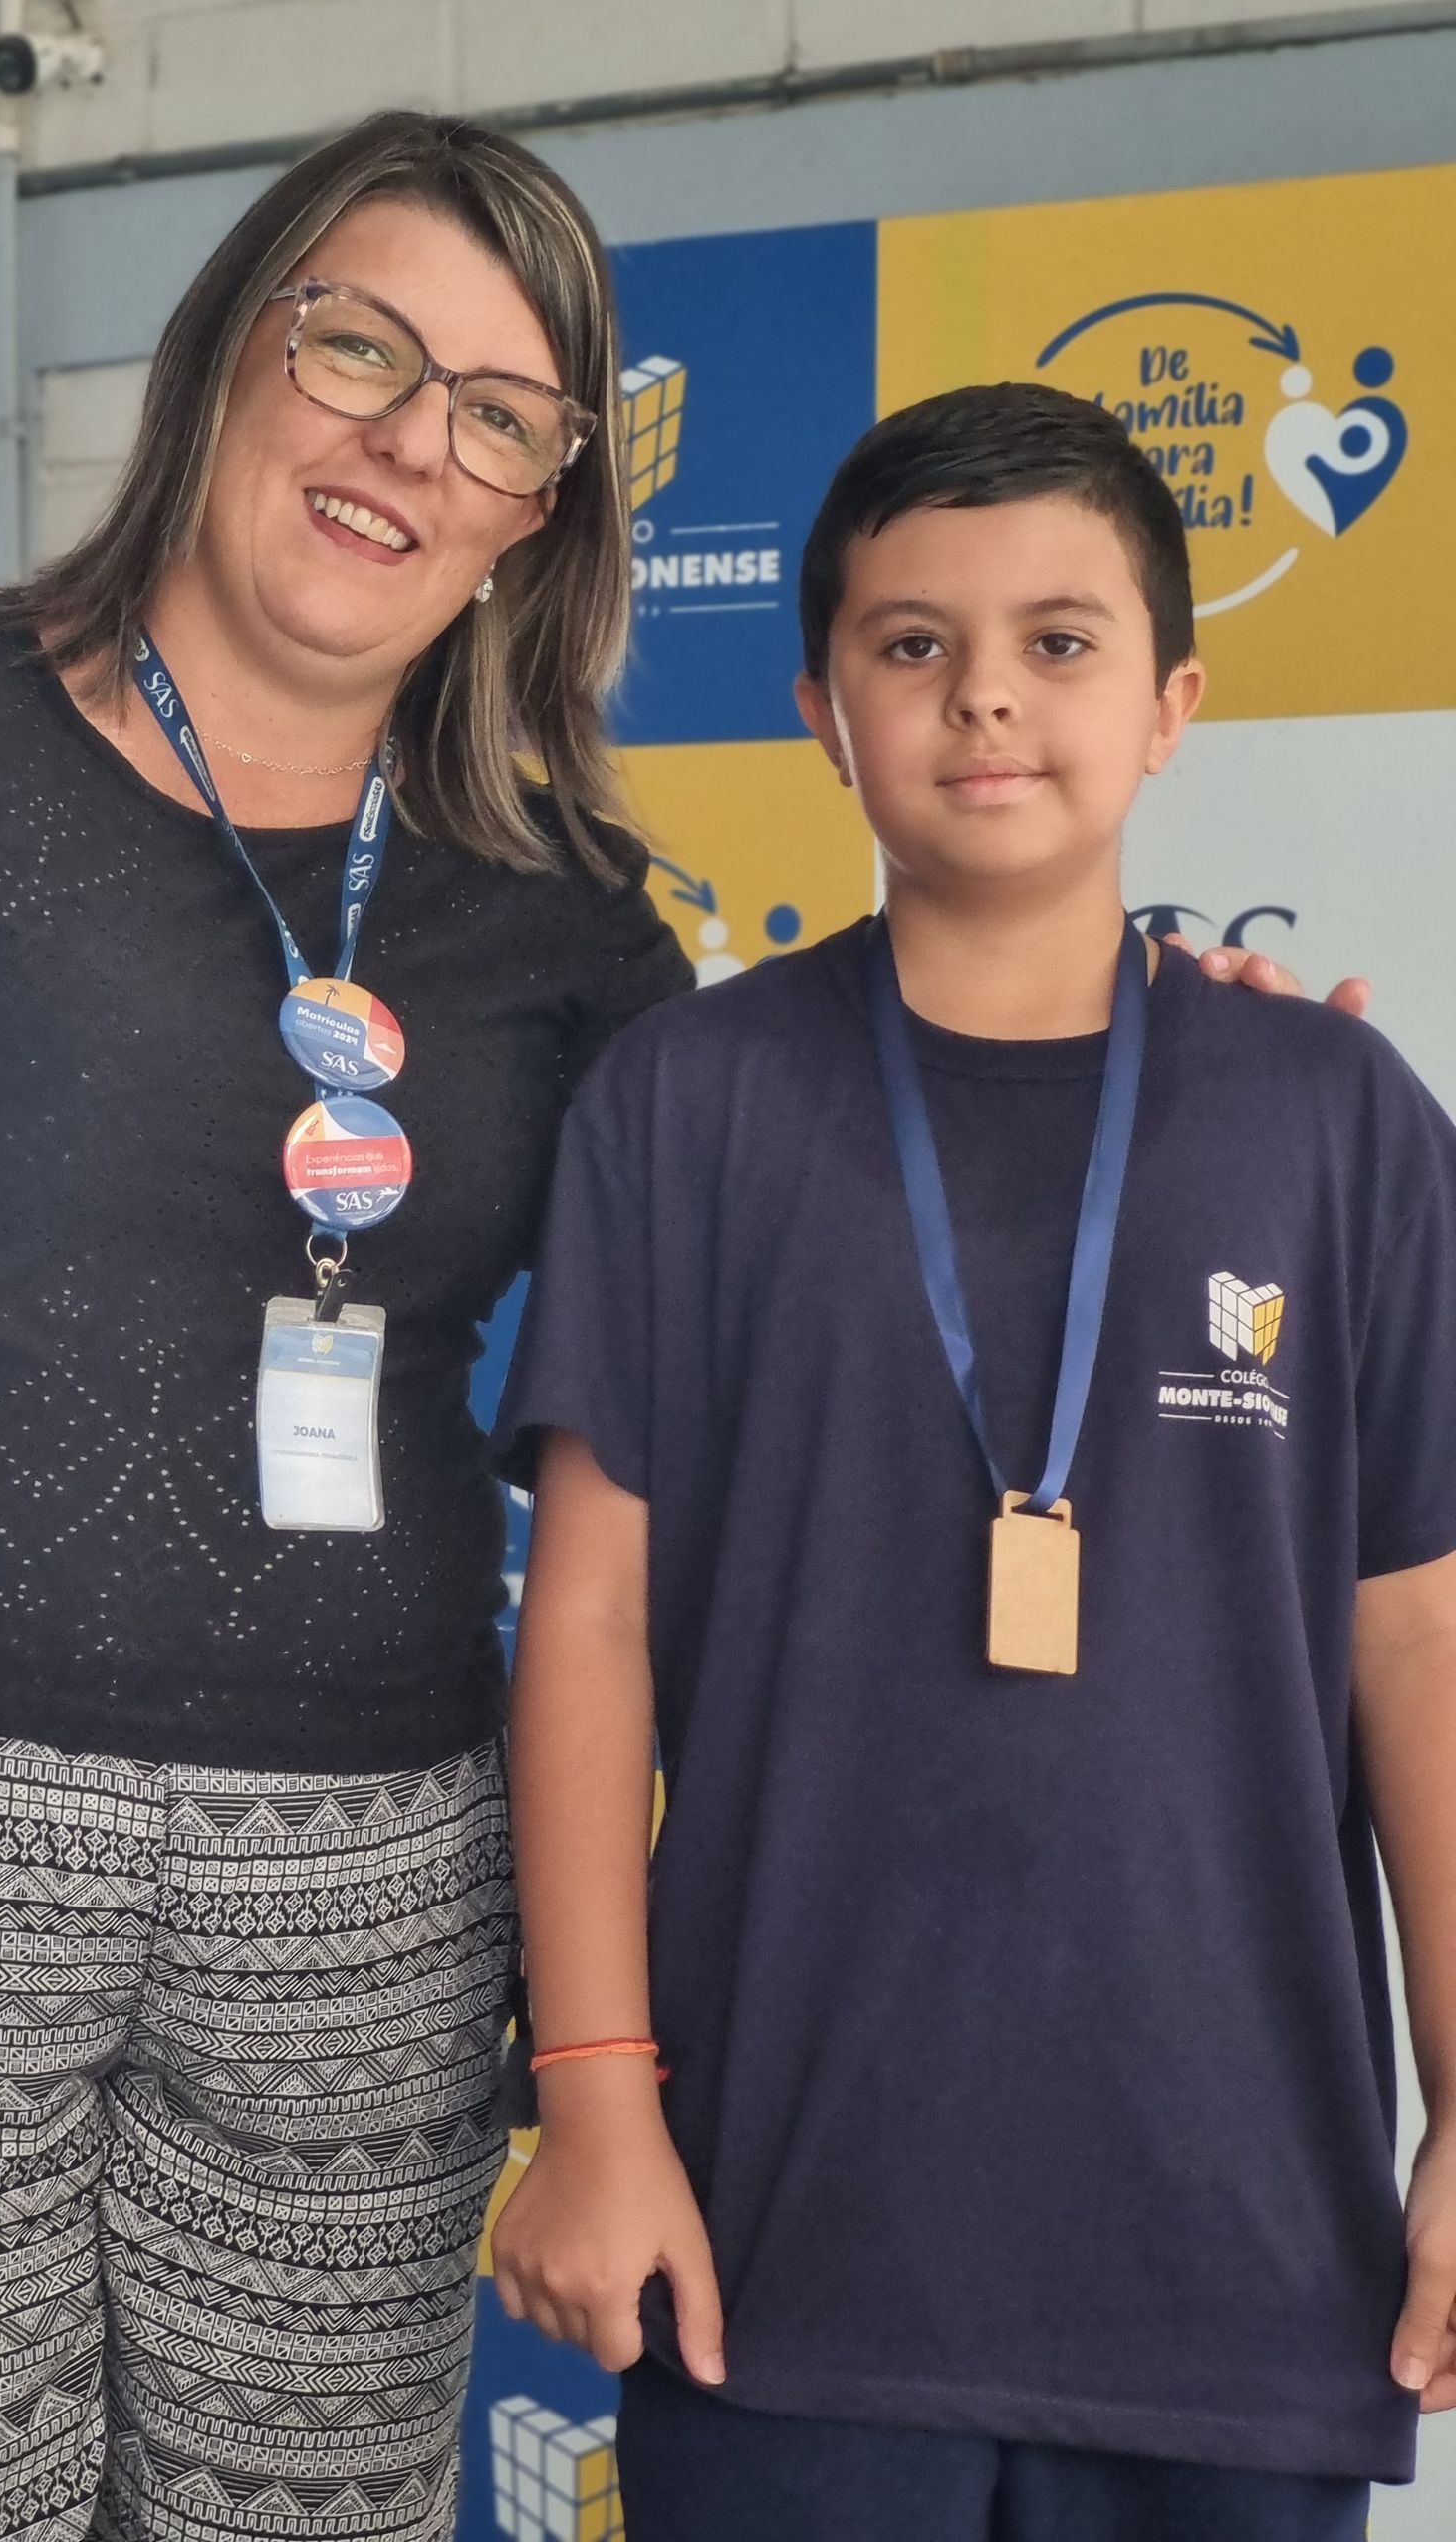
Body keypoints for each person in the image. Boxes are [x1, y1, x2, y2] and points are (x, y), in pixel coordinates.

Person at [0, 111, 698, 2542]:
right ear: (227, 351)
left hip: (370, 1886)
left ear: (541, 510)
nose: (415, 441)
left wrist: (1171, 1060)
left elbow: (747, 1325)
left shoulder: (575, 923)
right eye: (363, 347)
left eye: (502, 414)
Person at [490, 381, 1456, 2542]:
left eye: (1060, 640)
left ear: (1174, 704)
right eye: (912, 644)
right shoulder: (689, 1104)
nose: (986, 696)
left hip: (1242, 2258)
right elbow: (591, 1621)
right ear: (823, 712)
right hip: (785, 2245)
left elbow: (1420, 1640)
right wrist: (595, 2098)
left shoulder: (1339, 1121)